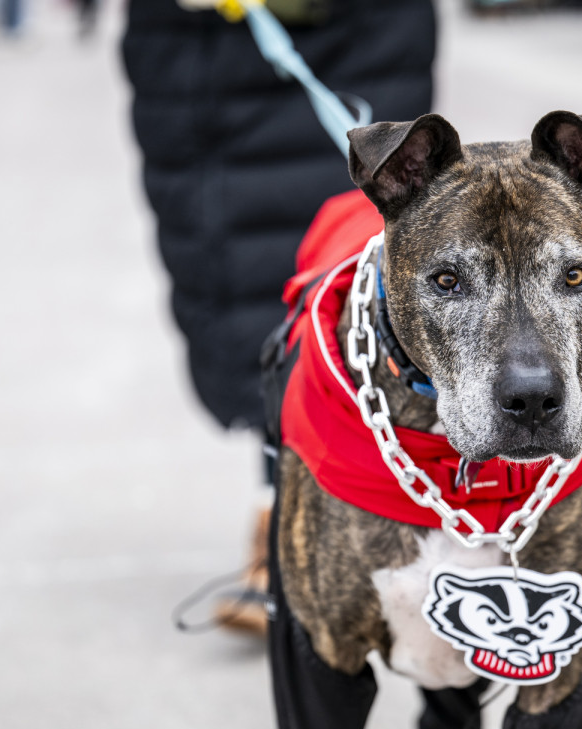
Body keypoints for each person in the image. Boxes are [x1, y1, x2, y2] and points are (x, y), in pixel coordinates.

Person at [122, 0, 436, 633]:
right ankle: (290, 510)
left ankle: (317, 518)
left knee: (351, 265)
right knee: (240, 285)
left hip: (355, 40)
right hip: (197, 55)